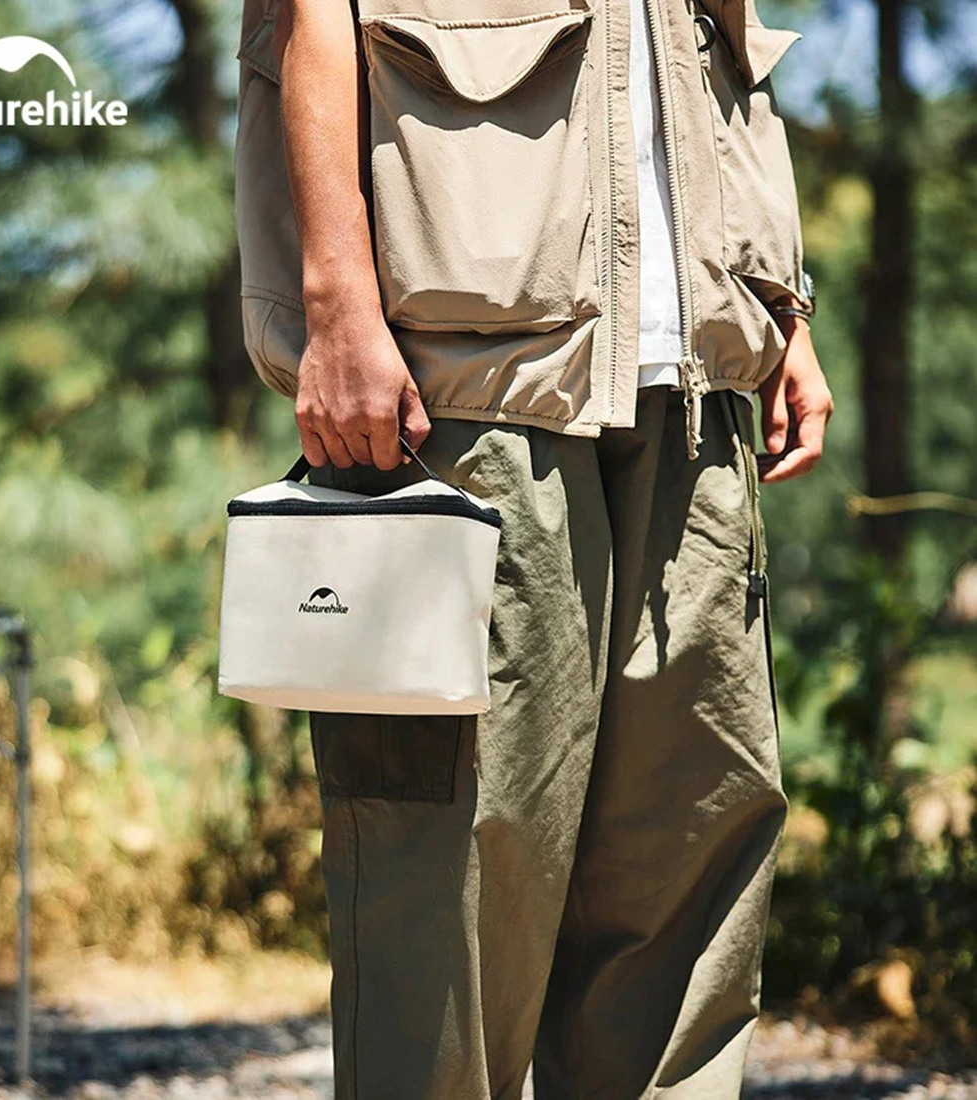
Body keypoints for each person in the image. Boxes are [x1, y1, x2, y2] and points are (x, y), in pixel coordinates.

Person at [234, 0, 834, 1094]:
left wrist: (777, 306)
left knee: (686, 855)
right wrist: (336, 304)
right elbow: (308, 19)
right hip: (466, 389)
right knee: (454, 875)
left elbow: (716, 55)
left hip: (694, 396)